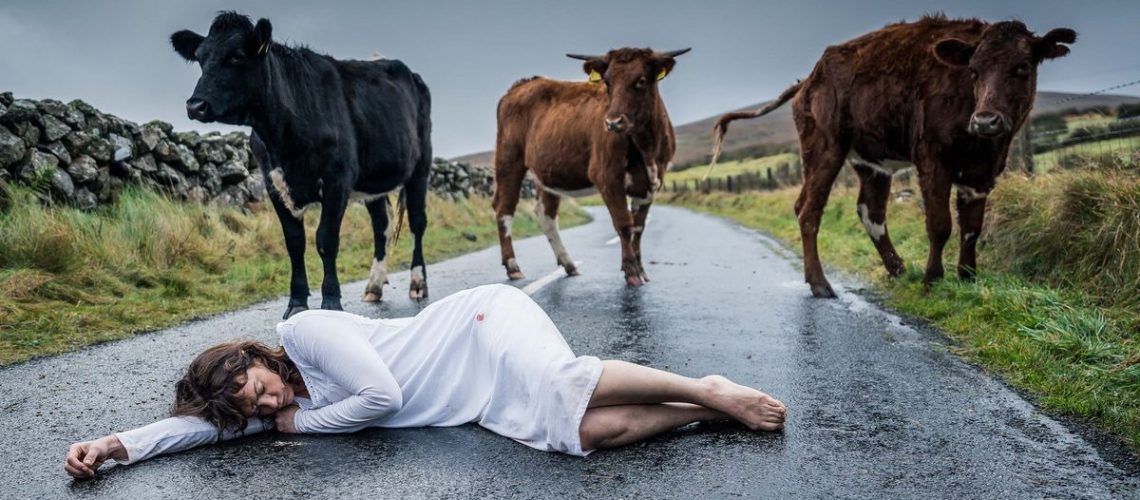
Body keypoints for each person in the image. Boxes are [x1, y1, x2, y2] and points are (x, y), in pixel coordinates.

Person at [65, 284, 786, 478]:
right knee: (583, 435)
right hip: (471, 398)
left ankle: (705, 387)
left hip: (477, 326)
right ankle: (702, 414)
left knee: (558, 381)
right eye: (252, 407)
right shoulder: (251, 409)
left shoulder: (305, 333)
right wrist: (115, 444)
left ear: (254, 358)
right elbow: (193, 431)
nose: (268, 403)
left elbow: (384, 396)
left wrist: (300, 423)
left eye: (258, 388)